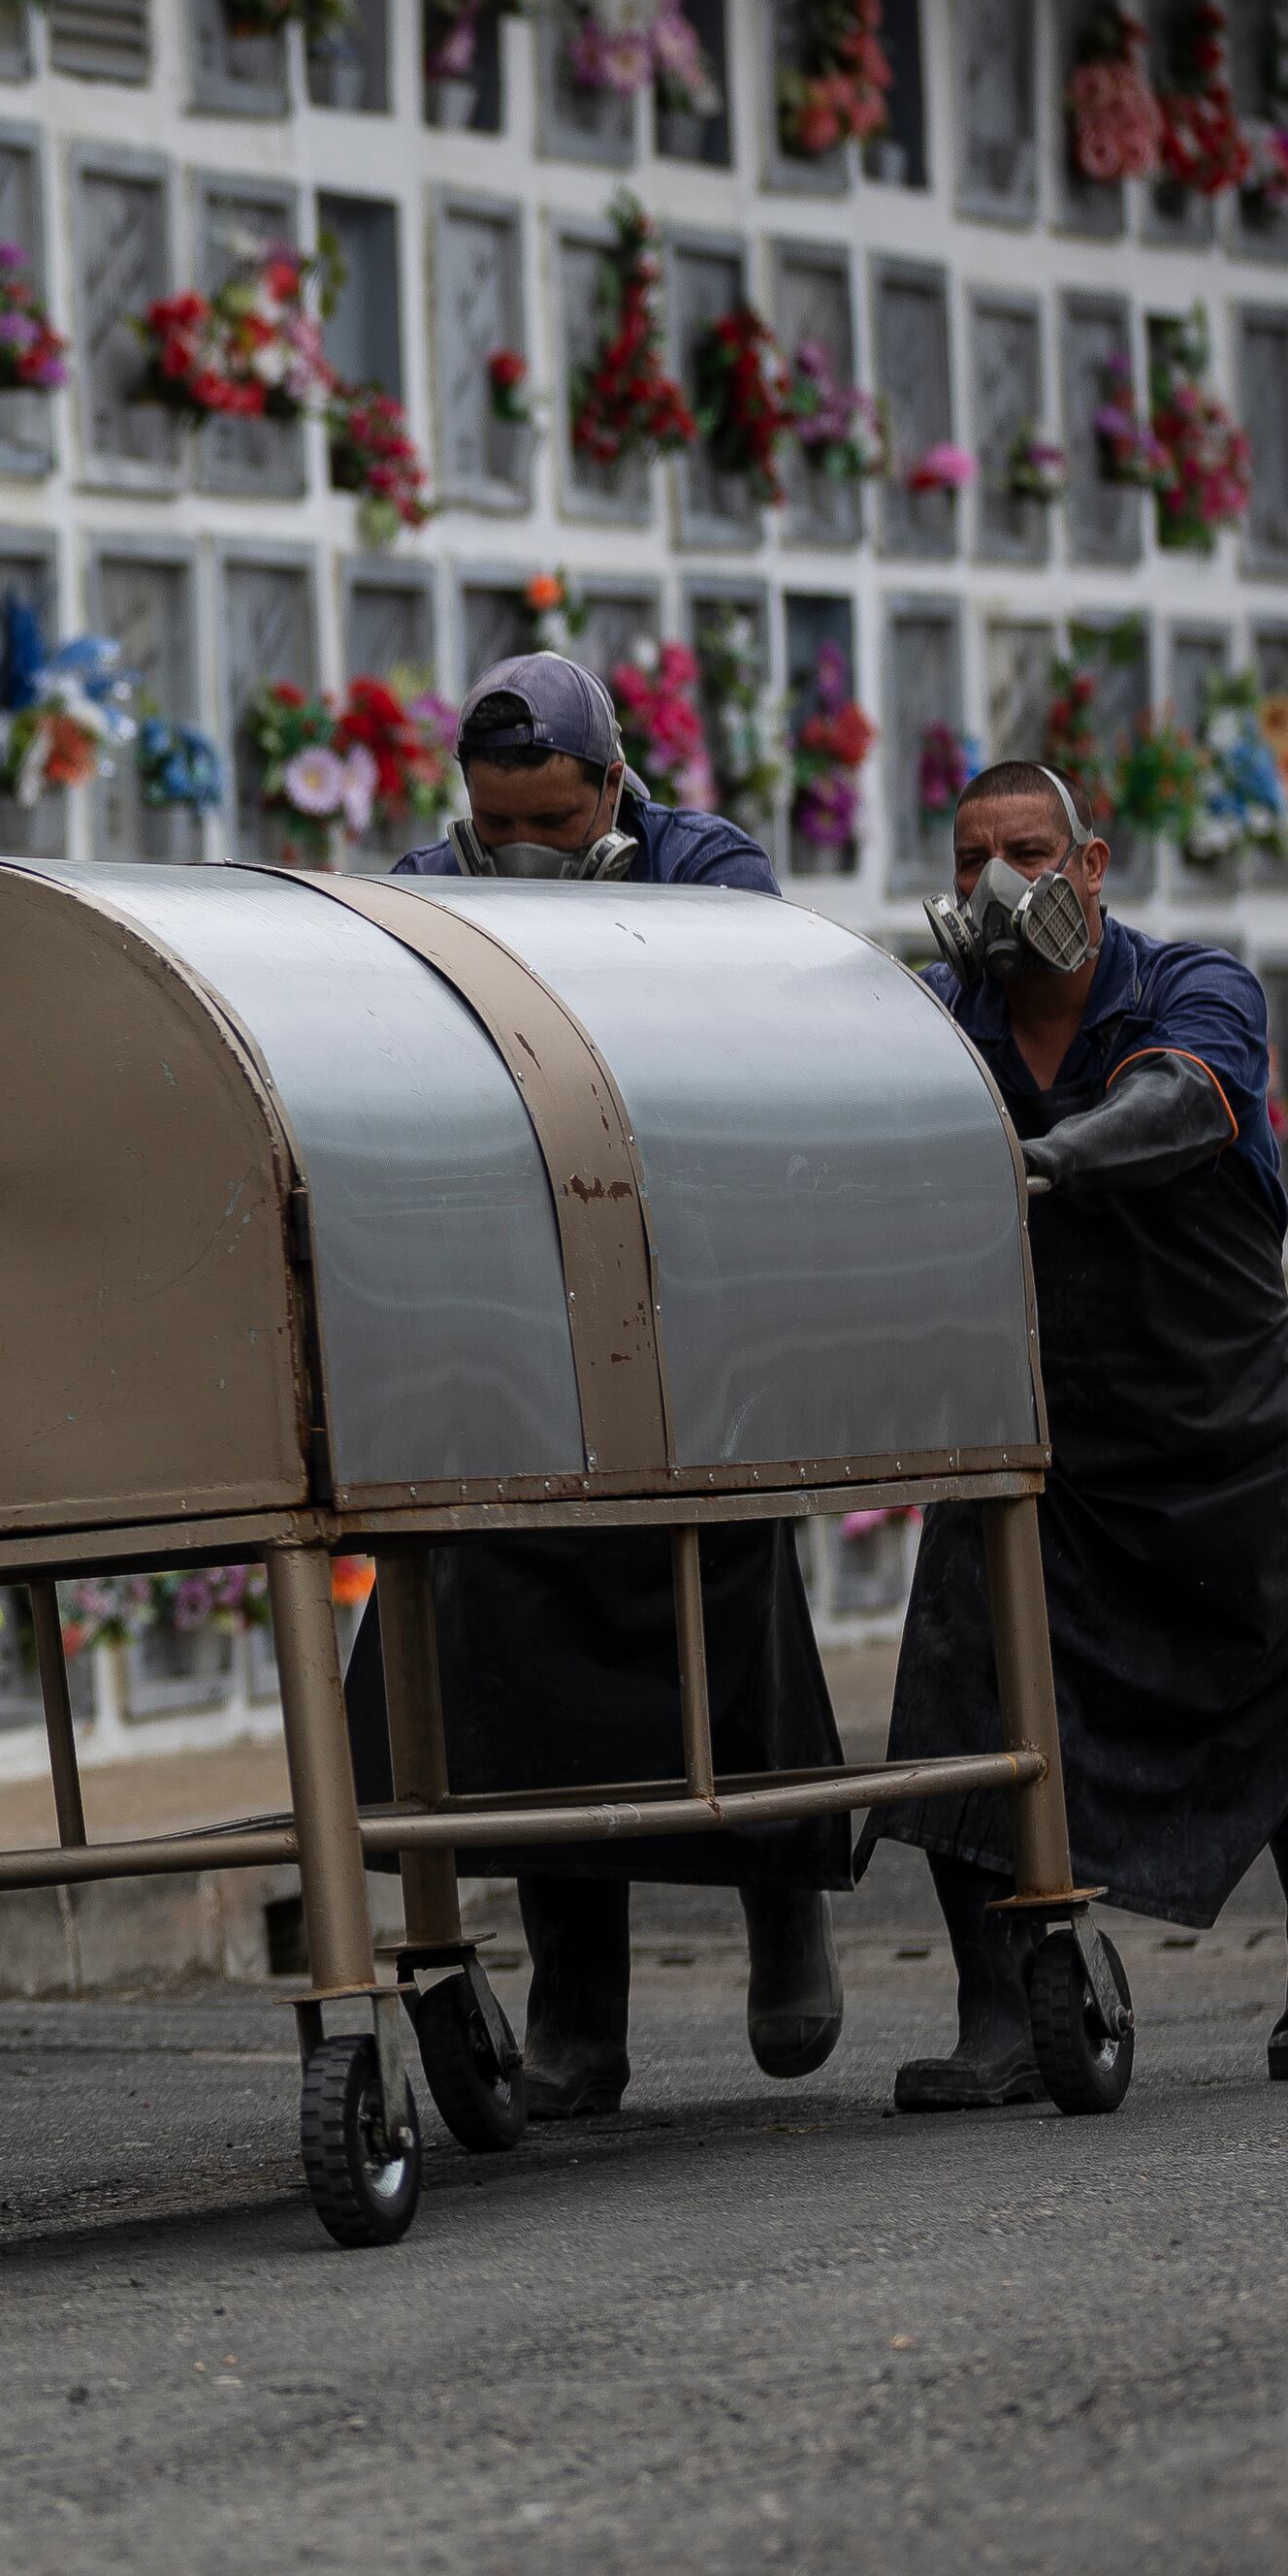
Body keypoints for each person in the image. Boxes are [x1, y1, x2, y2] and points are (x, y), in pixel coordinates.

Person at [338, 652, 853, 2119]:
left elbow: (737, 1042)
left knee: (726, 1607)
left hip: (684, 1305)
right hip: (519, 1315)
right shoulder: (419, 891)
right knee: (508, 1651)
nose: (525, 854)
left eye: (556, 822)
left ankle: (784, 1906)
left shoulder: (710, 871)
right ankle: (580, 2005)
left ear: (614, 786)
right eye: (499, 825)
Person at [868, 759, 1288, 2103]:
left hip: (1209, 1414)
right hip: (1038, 1419)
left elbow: (1187, 1101)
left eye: (1029, 850)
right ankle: (996, 2016)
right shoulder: (938, 1017)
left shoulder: (1196, 988)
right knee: (962, 1681)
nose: (999, 882)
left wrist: (1044, 1156)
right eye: (975, 853)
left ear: (1090, 868)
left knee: (1271, 1680)